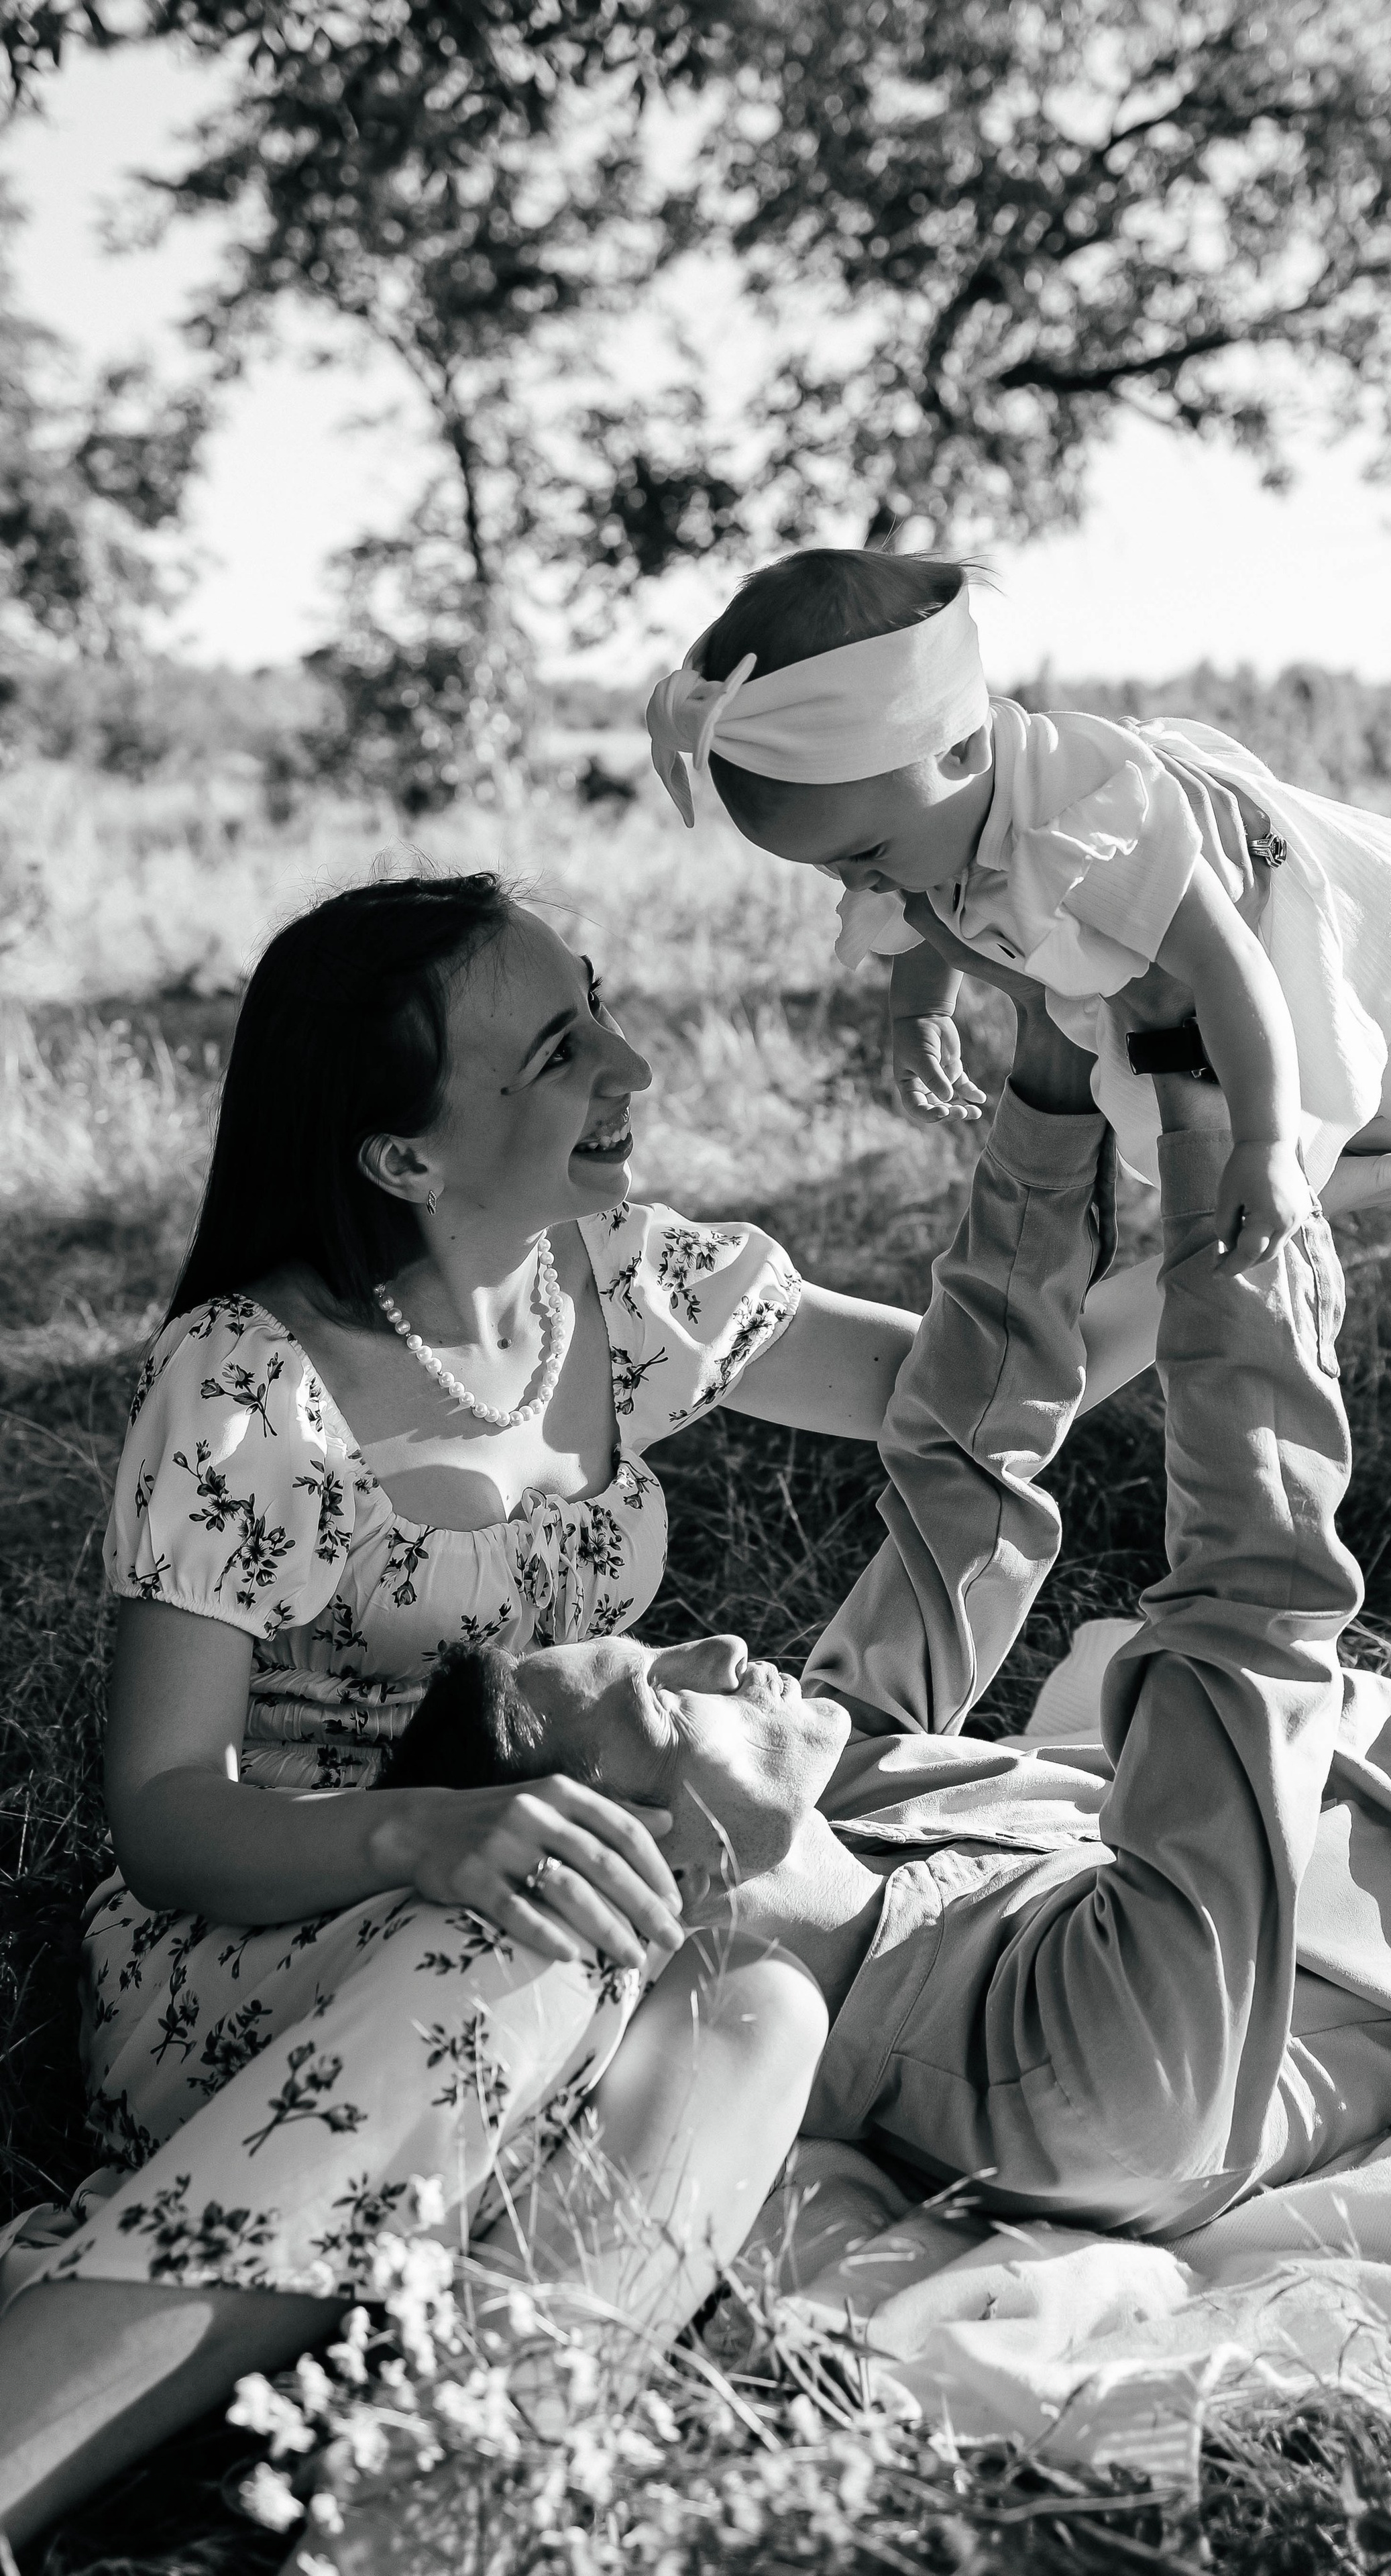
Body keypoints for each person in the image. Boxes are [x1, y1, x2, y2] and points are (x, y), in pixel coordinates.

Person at [0, 871, 1160, 2554]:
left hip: (560, 1888)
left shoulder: (611, 1281)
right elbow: (172, 1815)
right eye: (559, 1050)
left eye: (597, 1004)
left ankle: (427, 2512)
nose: (633, 1064)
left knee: (758, 2006)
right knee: (545, 1938)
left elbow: (979, 1401)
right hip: (264, 1943)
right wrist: (421, 1834)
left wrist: (1236, 1216)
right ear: (405, 1160)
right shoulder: (252, 1385)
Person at [383, 954, 1391, 2251]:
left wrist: (1050, 1070)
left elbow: (964, 1481)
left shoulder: (834, 1805)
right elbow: (1252, 1612)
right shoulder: (1073, 2081)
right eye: (666, 1702)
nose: (720, 1646)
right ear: (662, 1869)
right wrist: (1207, 1142)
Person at [645, 548, 1391, 1483]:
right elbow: (922, 909)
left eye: (863, 857)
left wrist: (1263, 1145)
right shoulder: (926, 823)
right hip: (1227, 1000)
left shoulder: (1089, 821)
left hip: (1324, 938)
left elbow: (1229, 967)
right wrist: (918, 1011)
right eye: (832, 869)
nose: (857, 886)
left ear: (961, 752)